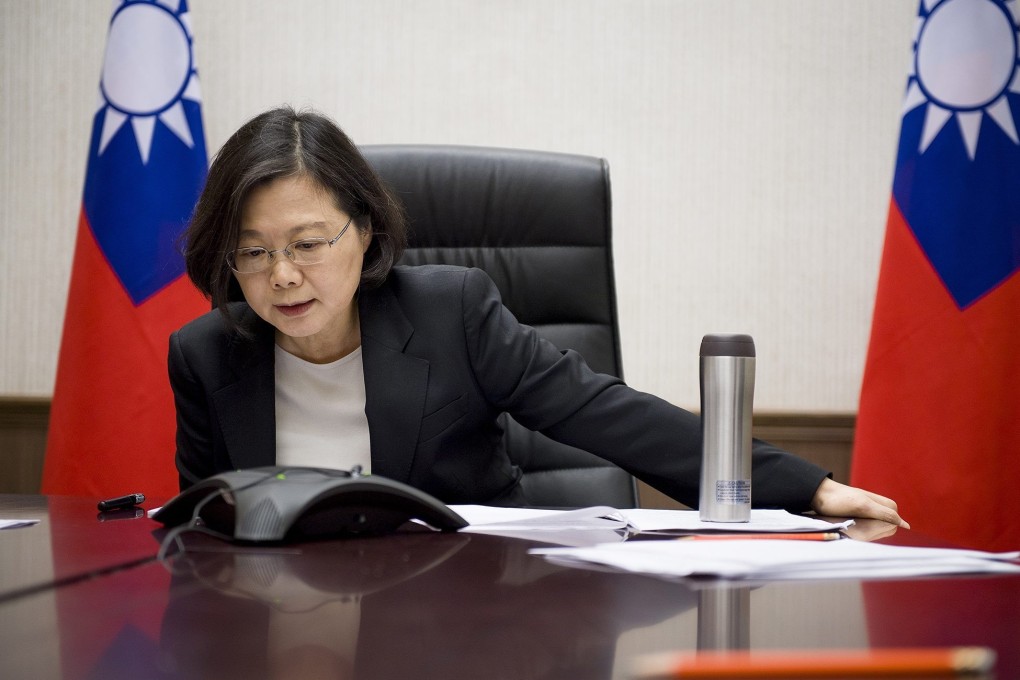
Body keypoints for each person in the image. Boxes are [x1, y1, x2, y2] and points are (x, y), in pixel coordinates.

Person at [170, 105, 907, 527]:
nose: (283, 275)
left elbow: (603, 412)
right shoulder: (206, 354)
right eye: (253, 253)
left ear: (364, 231)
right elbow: (206, 526)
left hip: (467, 613)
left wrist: (807, 488)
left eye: (306, 244)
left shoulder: (450, 311)